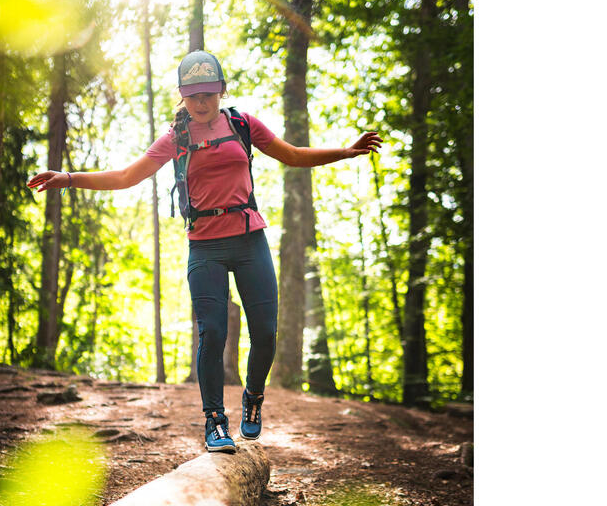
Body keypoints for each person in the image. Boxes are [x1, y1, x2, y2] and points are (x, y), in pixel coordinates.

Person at [28, 50, 381, 454]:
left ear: (221, 91)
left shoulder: (243, 124)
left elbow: (292, 155)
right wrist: (69, 178)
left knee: (265, 333)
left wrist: (345, 151)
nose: (202, 103)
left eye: (209, 94)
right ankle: (215, 420)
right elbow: (127, 177)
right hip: (205, 246)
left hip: (250, 240)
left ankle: (253, 397)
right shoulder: (176, 138)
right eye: (193, 95)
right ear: (182, 95)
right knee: (212, 332)